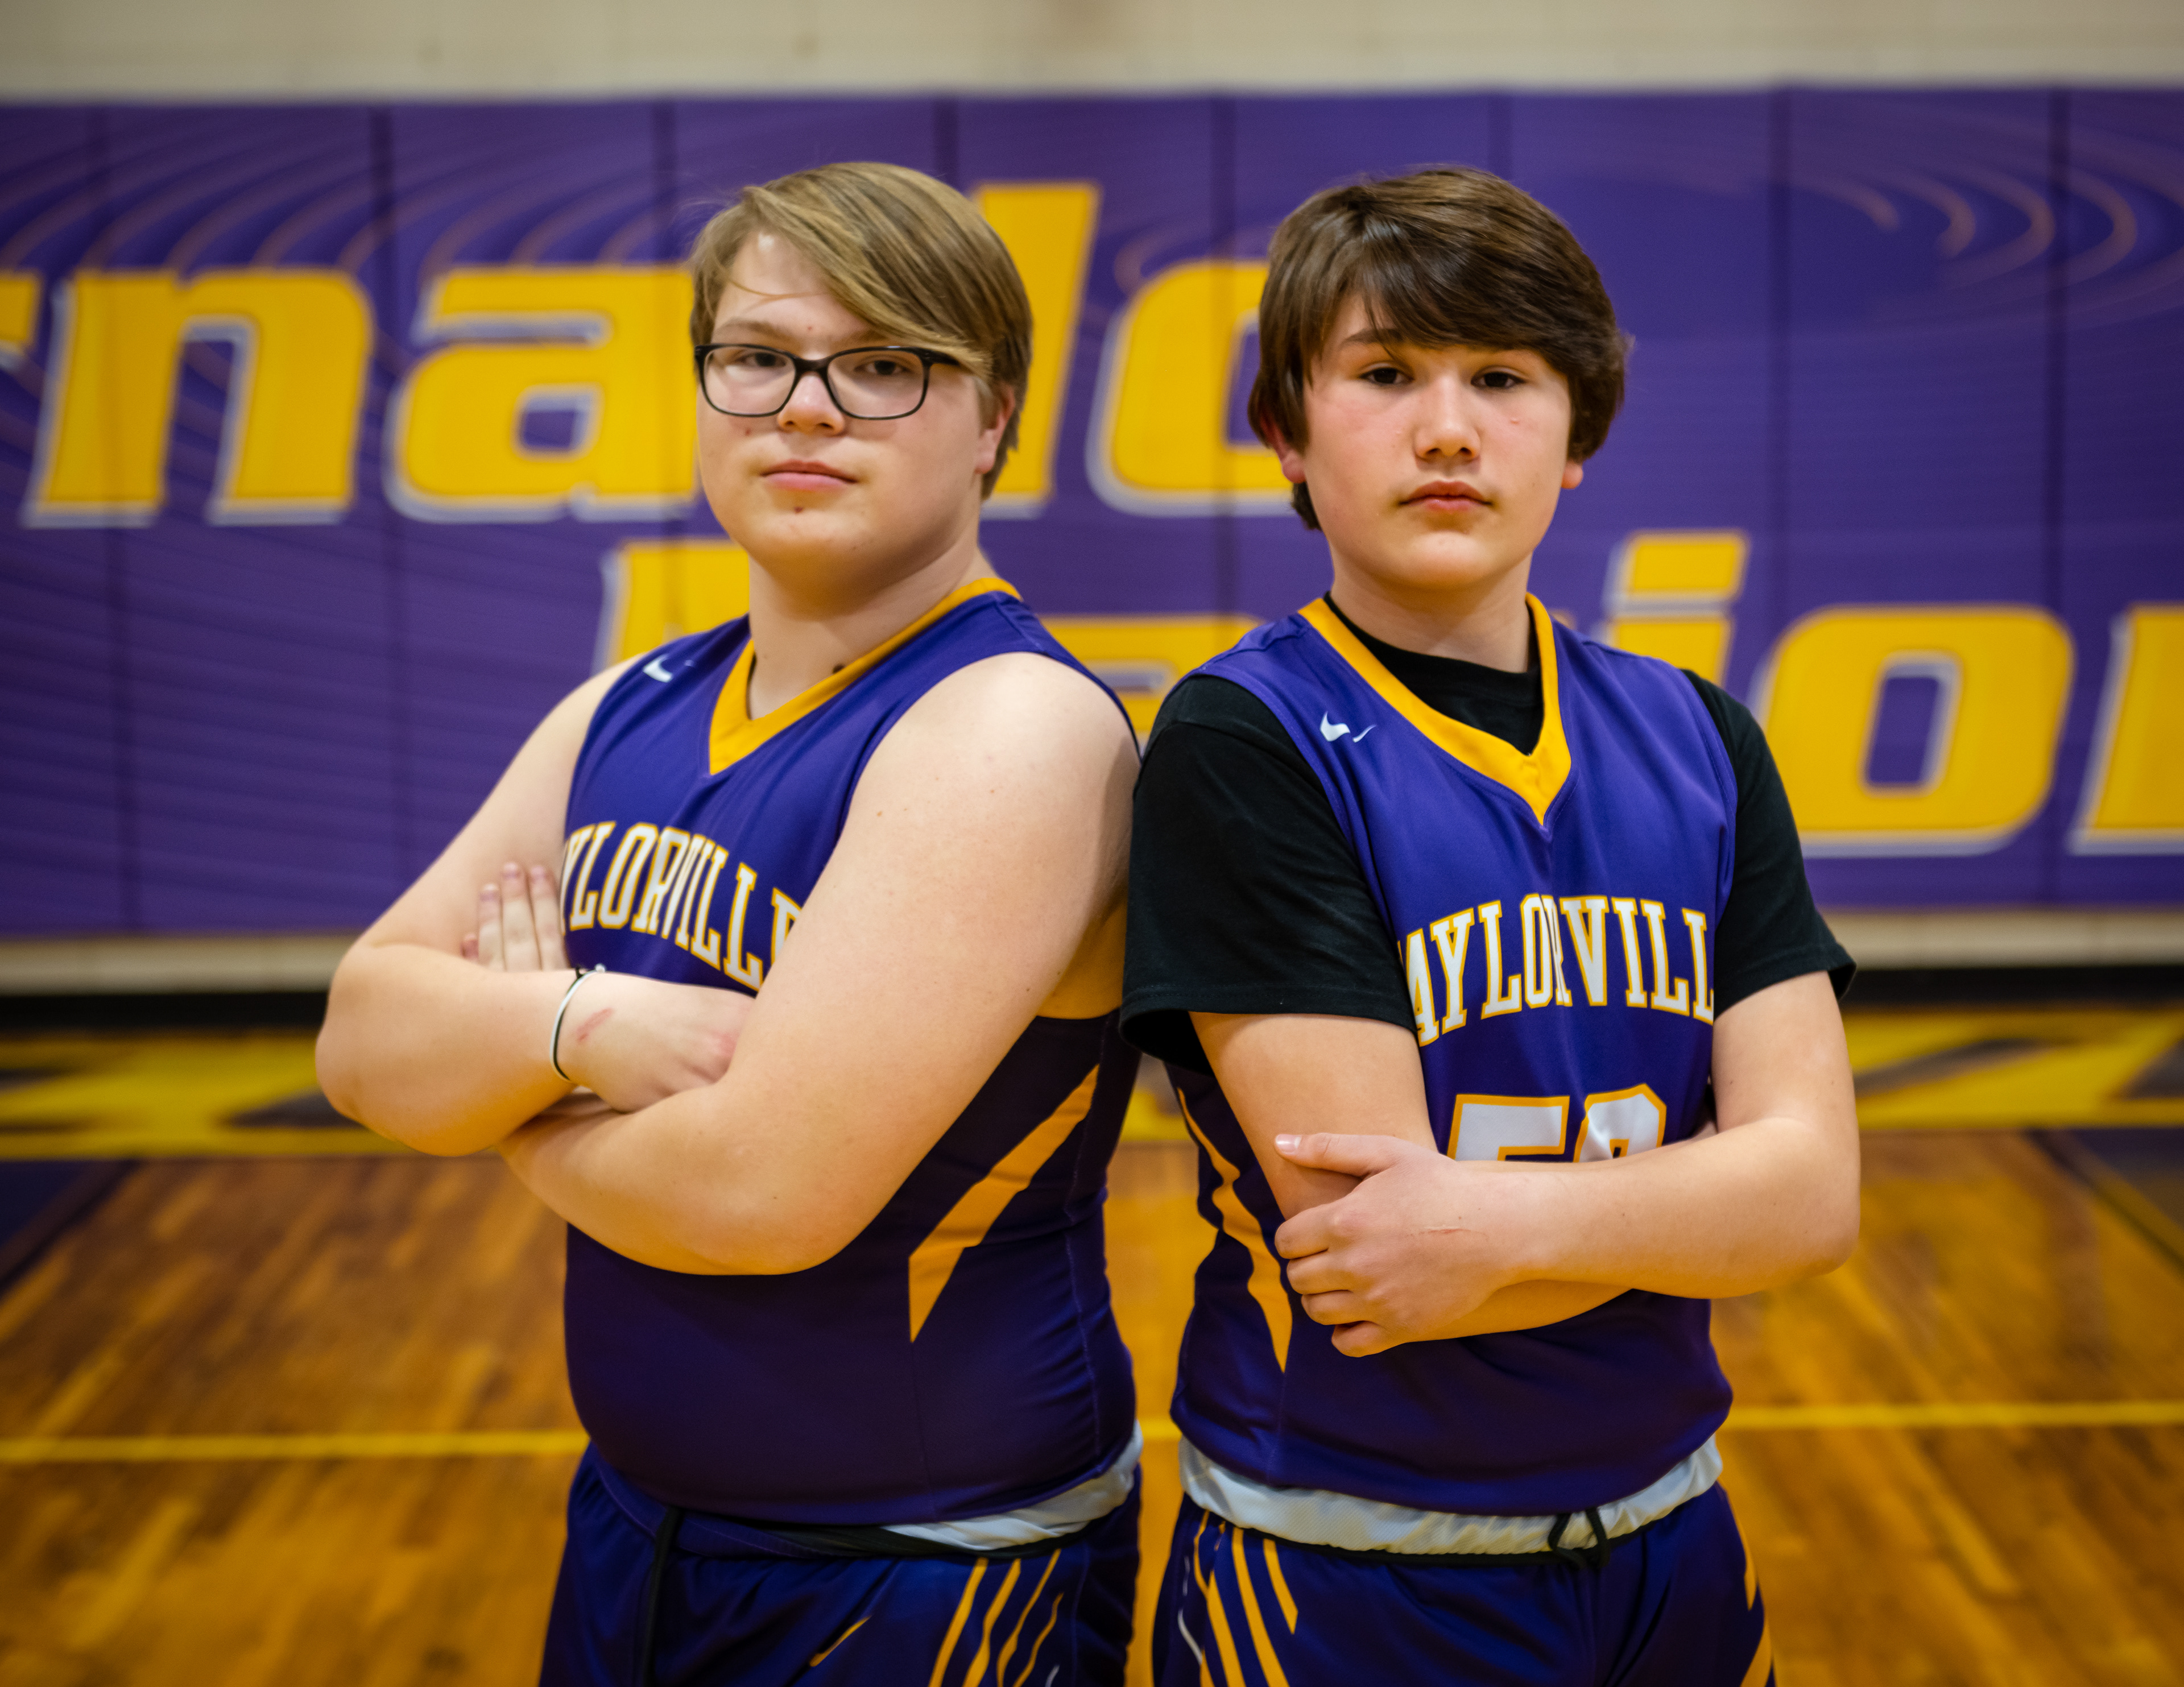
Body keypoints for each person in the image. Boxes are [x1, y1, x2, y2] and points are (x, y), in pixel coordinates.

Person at [317, 161, 1143, 1687]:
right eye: (758, 357)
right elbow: (362, 1040)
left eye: (882, 366)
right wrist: (586, 1027)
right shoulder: (625, 707)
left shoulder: (1010, 726)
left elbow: (761, 1196)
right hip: (638, 1524)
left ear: (995, 418)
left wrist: (506, 1104)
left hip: (925, 1568)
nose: (805, 409)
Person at [1120, 167, 1859, 1685]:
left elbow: (1814, 1198)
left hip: (1673, 1531)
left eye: (1503, 378)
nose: (1448, 428)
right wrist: (1699, 1209)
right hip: (1348, 1563)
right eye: (1387, 373)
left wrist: (1506, 1230)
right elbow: (1377, 1263)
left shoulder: (1701, 736)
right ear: (1289, 430)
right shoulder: (1245, 741)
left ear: (1577, 436)